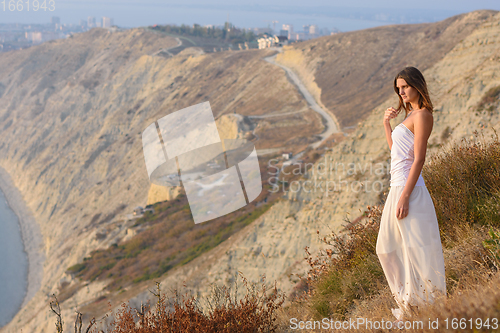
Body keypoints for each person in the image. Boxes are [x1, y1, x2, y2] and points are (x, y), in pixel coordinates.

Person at [376, 67, 446, 322]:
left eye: (405, 86)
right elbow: (397, 153)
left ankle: (427, 309)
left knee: (418, 250)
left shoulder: (423, 115)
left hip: (410, 191)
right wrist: (386, 124)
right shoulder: (409, 115)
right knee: (386, 249)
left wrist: (405, 196)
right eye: (398, 88)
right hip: (397, 188)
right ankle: (409, 303)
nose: (401, 91)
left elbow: (419, 159)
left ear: (417, 85)